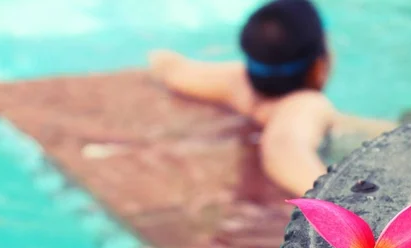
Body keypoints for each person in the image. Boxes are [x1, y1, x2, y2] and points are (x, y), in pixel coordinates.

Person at [149, 0, 397, 197]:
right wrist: (334, 204)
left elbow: (167, 66)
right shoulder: (305, 105)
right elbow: (284, 146)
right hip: (340, 144)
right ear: (319, 67)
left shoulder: (235, 81)